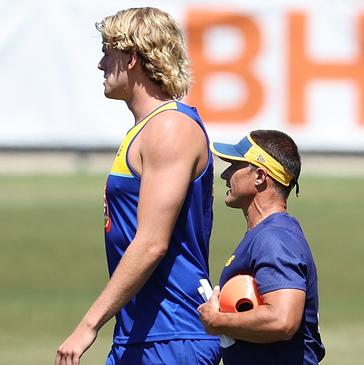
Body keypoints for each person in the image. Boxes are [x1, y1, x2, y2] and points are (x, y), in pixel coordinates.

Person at [55, 7, 220, 365]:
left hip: (171, 334)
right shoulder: (146, 129)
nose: (100, 65)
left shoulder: (169, 128)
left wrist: (87, 326)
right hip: (142, 333)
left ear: (131, 58)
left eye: (106, 52)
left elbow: (151, 244)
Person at [198, 130, 325, 365]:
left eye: (235, 165)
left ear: (259, 176)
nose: (225, 174)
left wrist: (216, 321)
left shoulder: (274, 238)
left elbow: (282, 319)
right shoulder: (267, 234)